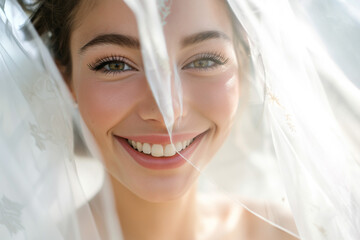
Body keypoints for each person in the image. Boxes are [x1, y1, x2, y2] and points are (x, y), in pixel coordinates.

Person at [1, 0, 359, 239]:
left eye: (203, 61)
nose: (166, 111)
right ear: (66, 80)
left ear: (245, 63)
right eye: (115, 64)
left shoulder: (302, 233)